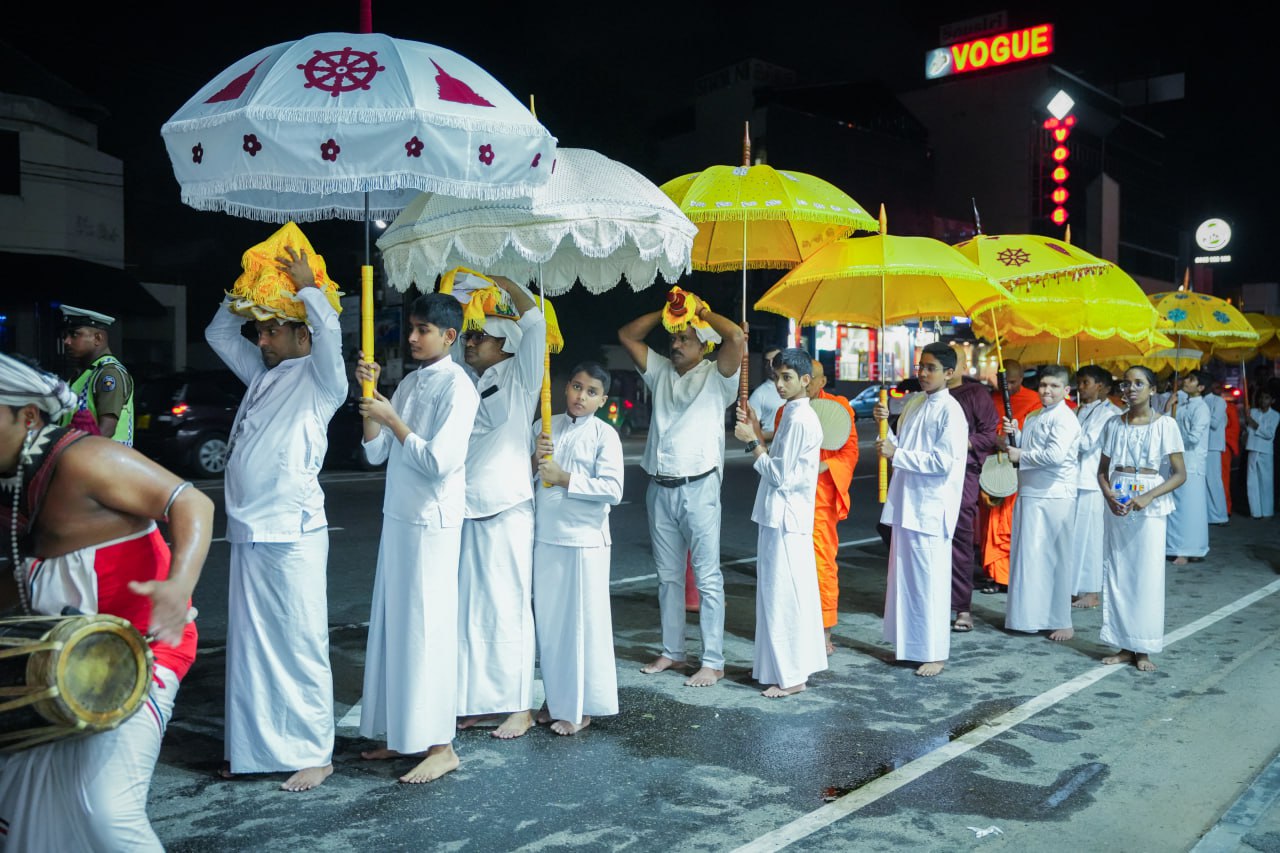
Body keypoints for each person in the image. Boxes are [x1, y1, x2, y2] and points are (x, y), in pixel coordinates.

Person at [0, 353, 212, 850]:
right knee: (16, 800)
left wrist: (178, 586)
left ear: (28, 416)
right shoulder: (10, 483)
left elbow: (191, 502)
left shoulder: (86, 458)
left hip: (139, 655)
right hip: (53, 663)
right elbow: (24, 574)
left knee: (106, 809)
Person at [206, 246, 345, 791]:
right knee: (252, 649)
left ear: (301, 335)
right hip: (249, 530)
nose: (259, 340)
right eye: (259, 331)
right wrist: (243, 291)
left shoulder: (320, 378)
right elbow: (220, 335)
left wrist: (310, 288)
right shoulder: (263, 372)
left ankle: (316, 751)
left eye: (270, 330)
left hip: (293, 532)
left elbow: (332, 337)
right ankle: (257, 752)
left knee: (299, 642)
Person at [353, 293, 478, 782]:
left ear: (449, 336)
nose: (411, 337)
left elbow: (437, 462)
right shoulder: (407, 382)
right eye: (411, 327)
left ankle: (441, 744)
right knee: (395, 629)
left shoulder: (459, 388)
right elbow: (376, 454)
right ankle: (402, 734)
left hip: (432, 523)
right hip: (400, 517)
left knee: (427, 632)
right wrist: (371, 399)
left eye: (422, 329)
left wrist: (391, 417)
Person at [618, 290, 745, 687]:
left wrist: (701, 311)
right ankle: (673, 653)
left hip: (699, 486)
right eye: (674, 338)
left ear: (704, 344)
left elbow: (736, 339)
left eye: (684, 338)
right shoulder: (660, 371)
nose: (674, 344)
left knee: (707, 577)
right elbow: (627, 336)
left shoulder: (718, 376)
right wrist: (668, 313)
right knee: (668, 577)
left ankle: (712, 660)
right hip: (660, 485)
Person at [455, 275, 546, 739]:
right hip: (467, 507)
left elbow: (535, 322)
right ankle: (476, 700)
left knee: (508, 609)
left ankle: (517, 704)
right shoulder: (469, 378)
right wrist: (460, 296)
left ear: (504, 344)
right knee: (471, 612)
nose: (470, 342)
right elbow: (449, 330)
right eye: (469, 335)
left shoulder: (521, 374)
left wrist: (499, 282)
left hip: (507, 507)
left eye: (479, 336)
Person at [531, 362, 624, 734]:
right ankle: (556, 698)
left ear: (602, 400)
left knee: (582, 626)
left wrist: (564, 478)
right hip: (546, 537)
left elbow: (613, 490)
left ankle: (581, 706)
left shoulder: (605, 435)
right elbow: (529, 480)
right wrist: (534, 457)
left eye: (590, 392)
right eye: (575, 386)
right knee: (551, 627)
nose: (580, 396)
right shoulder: (544, 427)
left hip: (585, 542)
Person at [873, 343, 968, 677]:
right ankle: (908, 647)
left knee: (929, 581)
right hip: (907, 503)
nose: (923, 373)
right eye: (921, 367)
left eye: (931, 368)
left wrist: (896, 454)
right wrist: (886, 429)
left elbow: (944, 462)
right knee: (904, 581)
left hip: (930, 507)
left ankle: (934, 652)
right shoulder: (914, 402)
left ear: (949, 372)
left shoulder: (951, 411)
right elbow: (900, 445)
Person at [738, 349, 826, 696]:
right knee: (774, 595)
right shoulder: (790, 413)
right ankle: (774, 668)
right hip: (780, 516)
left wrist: (753, 444)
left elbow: (780, 476)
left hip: (787, 518)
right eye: (776, 377)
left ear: (806, 381)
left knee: (783, 597)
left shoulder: (801, 419)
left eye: (787, 377)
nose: (779, 383)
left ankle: (792, 677)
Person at [1097, 366, 1187, 672]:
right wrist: (1109, 494)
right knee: (1118, 573)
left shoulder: (1166, 425)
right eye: (1126, 383)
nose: (1131, 388)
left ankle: (1143, 647)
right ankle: (1124, 645)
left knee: (1146, 576)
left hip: (1150, 501)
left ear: (1152, 390)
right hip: (1119, 500)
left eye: (1139, 383)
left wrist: (1150, 496)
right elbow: (1102, 470)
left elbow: (1179, 474)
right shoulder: (1113, 424)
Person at [774, 359, 858, 654]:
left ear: (820, 381)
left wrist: (826, 464)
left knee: (821, 563)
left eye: (812, 379)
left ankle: (824, 631)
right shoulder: (786, 410)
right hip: (792, 497)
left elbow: (849, 451)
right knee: (789, 564)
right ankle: (794, 625)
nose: (806, 385)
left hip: (821, 497)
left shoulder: (839, 407)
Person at [1003, 364, 1082, 642]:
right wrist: (1014, 432)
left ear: (1066, 390)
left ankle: (1061, 619)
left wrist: (1020, 453)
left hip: (1055, 495)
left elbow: (1056, 456)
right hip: (1031, 492)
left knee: (1055, 558)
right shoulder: (1035, 415)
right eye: (1044, 386)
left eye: (1054, 386)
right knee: (1029, 558)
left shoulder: (1065, 418)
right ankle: (1028, 617)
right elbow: (1024, 447)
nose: (1047, 391)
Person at [944, 345, 1000, 632]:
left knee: (959, 543)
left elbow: (989, 433)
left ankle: (962, 608)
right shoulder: (927, 397)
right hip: (927, 480)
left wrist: (959, 443)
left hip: (961, 475)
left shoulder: (974, 394)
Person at [979, 359, 1042, 593]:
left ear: (1022, 379)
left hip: (1016, 467)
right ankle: (993, 573)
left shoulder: (1034, 401)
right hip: (991, 465)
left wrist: (1010, 440)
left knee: (1008, 523)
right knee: (989, 525)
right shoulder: (989, 399)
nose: (1006, 387)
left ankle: (1008, 574)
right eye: (1003, 381)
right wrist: (992, 438)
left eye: (1013, 382)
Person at [1068, 366, 1121, 609]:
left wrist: (1063, 434)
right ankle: (1074, 586)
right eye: (1079, 382)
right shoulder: (1081, 409)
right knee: (1075, 537)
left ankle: (1091, 590)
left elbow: (1086, 442)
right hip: (1074, 479)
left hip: (1092, 481)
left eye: (1085, 382)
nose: (1081, 387)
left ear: (1100, 385)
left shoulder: (1109, 412)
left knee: (1090, 538)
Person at [58, 304, 135, 444]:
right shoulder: (86, 373)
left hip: (104, 461)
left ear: (98, 338)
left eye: (74, 334)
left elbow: (107, 429)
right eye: (66, 335)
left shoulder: (109, 373)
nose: (67, 341)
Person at [1166, 370, 1211, 565]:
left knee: (1190, 509)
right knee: (1178, 508)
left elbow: (1193, 438)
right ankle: (1180, 548)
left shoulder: (1201, 408)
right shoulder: (1182, 404)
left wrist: (1174, 437)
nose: (1186, 381)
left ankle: (1189, 549)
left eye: (1191, 380)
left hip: (1192, 464)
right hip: (1179, 461)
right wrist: (1170, 407)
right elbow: (1168, 424)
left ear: (1200, 387)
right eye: (1187, 378)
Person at [1245, 389, 1277, 518]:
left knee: (1266, 482)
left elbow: (1269, 434)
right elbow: (1247, 429)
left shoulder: (1275, 415)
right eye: (1262, 398)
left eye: (1267, 398)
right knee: (1252, 482)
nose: (1263, 401)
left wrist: (1254, 425)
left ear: (1272, 401)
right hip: (1252, 449)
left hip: (1265, 451)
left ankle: (1267, 511)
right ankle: (1255, 512)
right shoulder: (1252, 412)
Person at [1204, 378, 1229, 525]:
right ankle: (1210, 515)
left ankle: (1220, 515)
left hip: (1213, 446)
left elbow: (1214, 423)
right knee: (1206, 483)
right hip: (1203, 446)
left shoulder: (1218, 401)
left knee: (1214, 481)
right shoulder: (1202, 400)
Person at [748, 345, 784, 442]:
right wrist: (780, 434)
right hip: (772, 450)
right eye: (768, 362)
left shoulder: (795, 387)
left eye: (775, 360)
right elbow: (750, 431)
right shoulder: (759, 394)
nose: (771, 365)